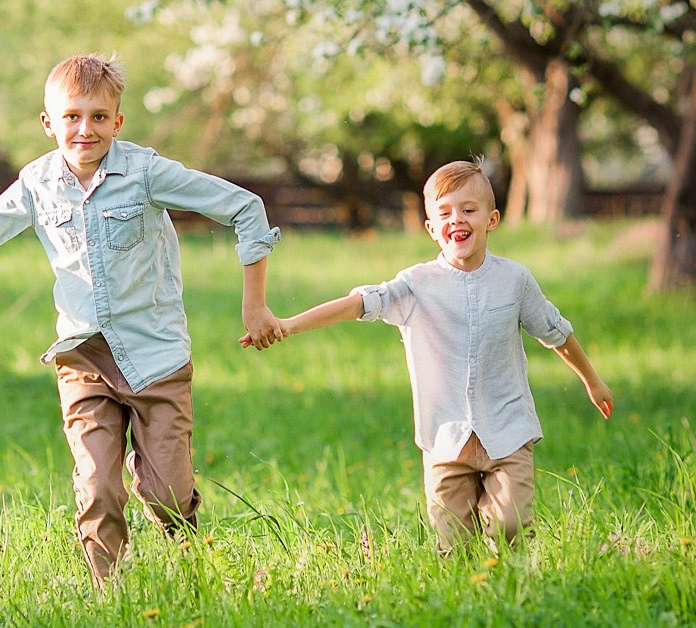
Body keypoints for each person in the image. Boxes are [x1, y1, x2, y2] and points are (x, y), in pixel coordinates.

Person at [0, 54, 280, 584]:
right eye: (72, 116)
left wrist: (255, 305)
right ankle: (107, 590)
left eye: (99, 117)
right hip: (82, 358)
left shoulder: (147, 173)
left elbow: (245, 207)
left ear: (118, 121)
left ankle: (191, 565)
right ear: (48, 122)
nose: (86, 129)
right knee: (96, 485)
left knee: (168, 494)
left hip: (156, 357)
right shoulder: (38, 184)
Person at [247, 158, 612, 550]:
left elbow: (555, 332)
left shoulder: (515, 281)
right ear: (431, 228)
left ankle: (516, 591)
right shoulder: (416, 285)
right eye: (445, 213)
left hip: (507, 430)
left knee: (511, 526)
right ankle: (469, 599)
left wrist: (592, 380)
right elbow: (357, 304)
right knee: (453, 546)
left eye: (469, 210)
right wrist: (288, 324)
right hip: (444, 439)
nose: (457, 219)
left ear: (491, 219)